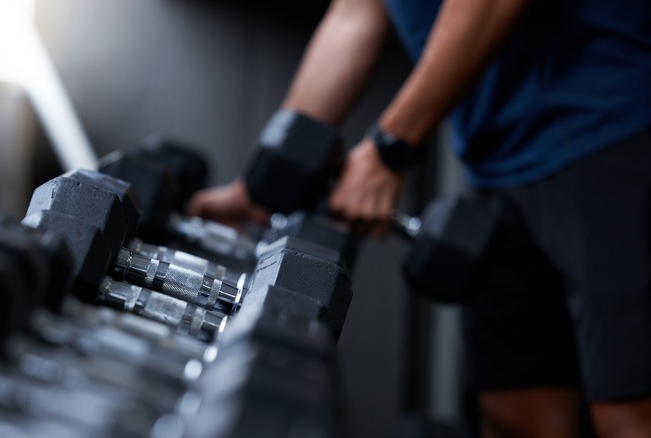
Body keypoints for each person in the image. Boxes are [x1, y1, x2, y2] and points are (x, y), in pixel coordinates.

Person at [188, 0, 651, 436]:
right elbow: (358, 13)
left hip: (610, 137)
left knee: (628, 414)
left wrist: (390, 149)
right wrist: (264, 185)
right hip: (496, 167)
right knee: (514, 414)